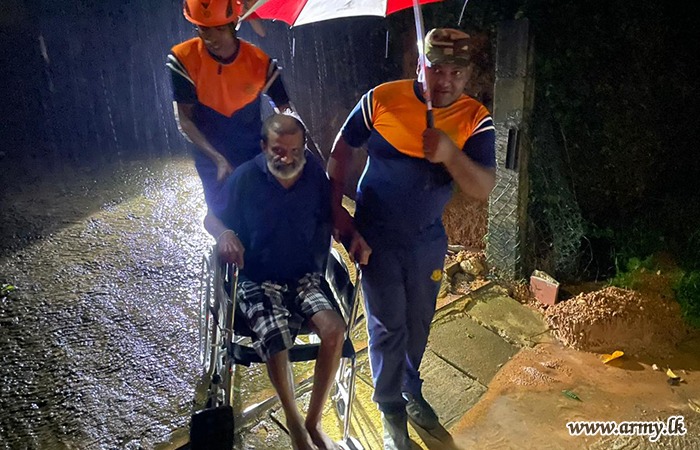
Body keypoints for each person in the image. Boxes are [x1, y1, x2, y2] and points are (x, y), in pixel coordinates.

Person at [327, 28, 497, 449]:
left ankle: (409, 387)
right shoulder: (381, 99)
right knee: (388, 325)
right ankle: (389, 408)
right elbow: (341, 151)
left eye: (456, 72)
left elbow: (482, 187)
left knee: (419, 322)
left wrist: (450, 153)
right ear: (420, 66)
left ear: (468, 75)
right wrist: (336, 213)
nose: (446, 81)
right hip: (376, 233)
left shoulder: (474, 118)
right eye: (436, 69)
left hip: (427, 237)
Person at [204, 114, 368, 450]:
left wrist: (353, 235)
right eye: (279, 150)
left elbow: (334, 214)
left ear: (303, 149)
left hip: (304, 276)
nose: (287, 158)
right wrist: (226, 234)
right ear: (264, 146)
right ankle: (294, 422)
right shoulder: (245, 178)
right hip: (258, 278)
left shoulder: (314, 177)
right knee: (276, 338)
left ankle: (313, 421)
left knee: (335, 331)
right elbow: (211, 218)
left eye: (295, 151)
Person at [167, 0, 291, 213]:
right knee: (221, 216)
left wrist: (299, 150)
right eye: (204, 29)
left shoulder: (259, 62)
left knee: (261, 210)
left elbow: (286, 111)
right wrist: (217, 158)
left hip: (251, 148)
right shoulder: (184, 58)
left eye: (219, 29)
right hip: (209, 151)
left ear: (234, 24)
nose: (211, 38)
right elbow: (184, 119)